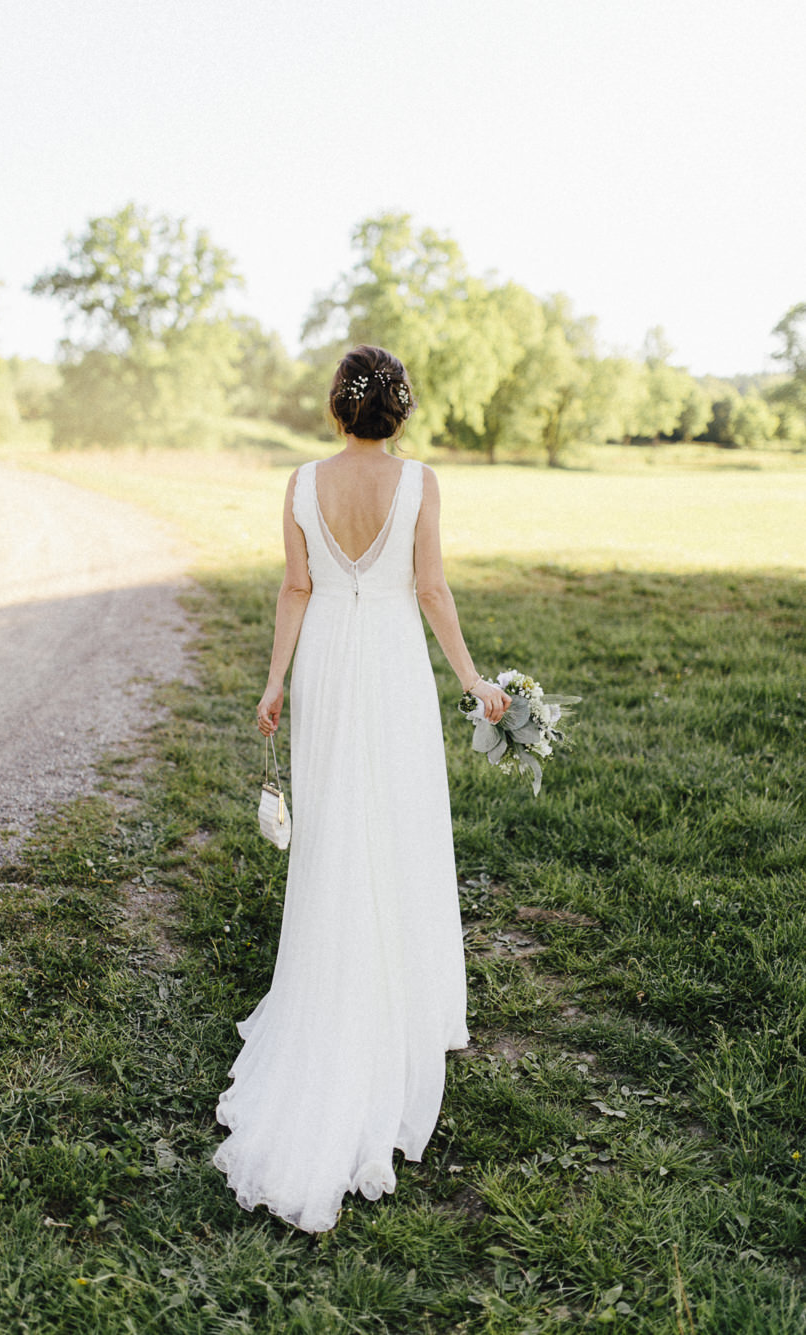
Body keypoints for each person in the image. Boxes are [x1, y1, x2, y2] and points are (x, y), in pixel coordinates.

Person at [213, 344, 511, 1232]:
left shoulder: (301, 482)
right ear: (400, 411)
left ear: (338, 409)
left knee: (340, 825)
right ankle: (403, 996)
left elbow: (295, 589)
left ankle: (338, 978)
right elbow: (431, 590)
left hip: (331, 672)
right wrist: (472, 681)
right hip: (390, 666)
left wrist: (275, 685)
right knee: (402, 823)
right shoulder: (420, 482)